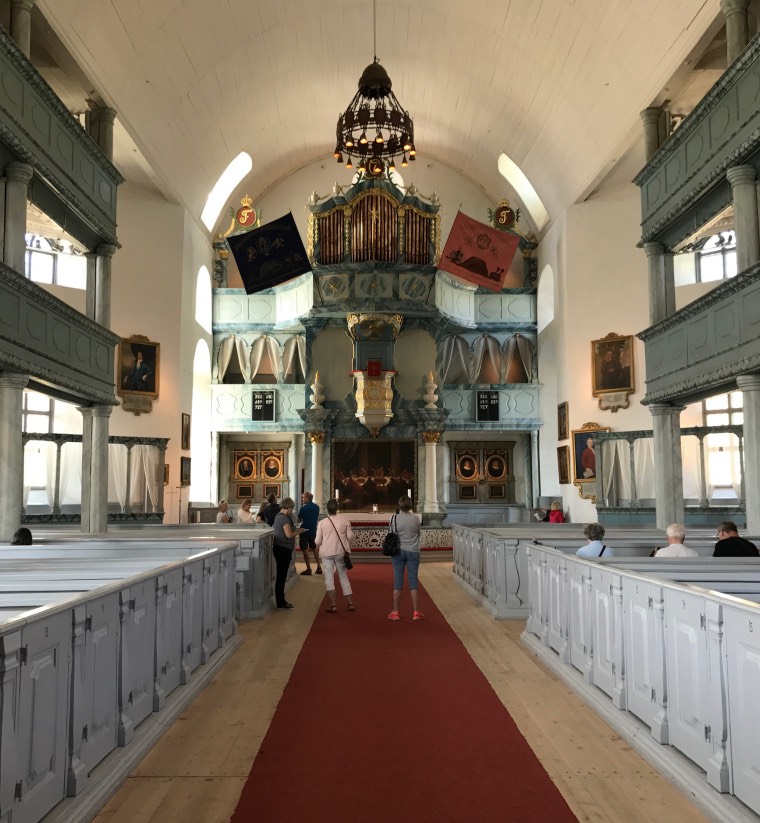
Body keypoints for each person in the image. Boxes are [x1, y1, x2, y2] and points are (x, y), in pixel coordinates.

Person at [388, 495, 424, 621]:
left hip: (398, 551)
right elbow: (418, 534)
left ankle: (395, 612)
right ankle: (416, 612)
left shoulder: (394, 518)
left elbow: (391, 534)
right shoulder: (416, 519)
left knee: (398, 581)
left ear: (399, 506)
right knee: (413, 581)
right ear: (410, 505)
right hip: (413, 551)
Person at [315, 498, 355, 612]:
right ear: (337, 509)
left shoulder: (322, 523)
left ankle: (333, 605)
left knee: (329, 578)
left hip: (326, 552)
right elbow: (350, 537)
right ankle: (350, 604)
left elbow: (317, 541)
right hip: (340, 552)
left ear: (327, 509)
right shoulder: (344, 520)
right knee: (343, 577)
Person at [272, 497, 305, 609]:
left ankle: (280, 600)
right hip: (283, 548)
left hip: (280, 548)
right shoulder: (284, 519)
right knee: (281, 576)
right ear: (288, 507)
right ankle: (281, 602)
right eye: (292, 508)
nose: (292, 510)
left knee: (281, 575)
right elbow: (289, 535)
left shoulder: (278, 516)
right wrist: (299, 531)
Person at [297, 491, 322, 575]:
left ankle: (308, 569)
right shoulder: (317, 507)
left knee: (305, 549)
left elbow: (299, 519)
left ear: (307, 498)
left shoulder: (303, 508)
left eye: (303, 497)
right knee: (314, 548)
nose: (302, 499)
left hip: (304, 530)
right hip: (313, 530)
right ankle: (319, 567)